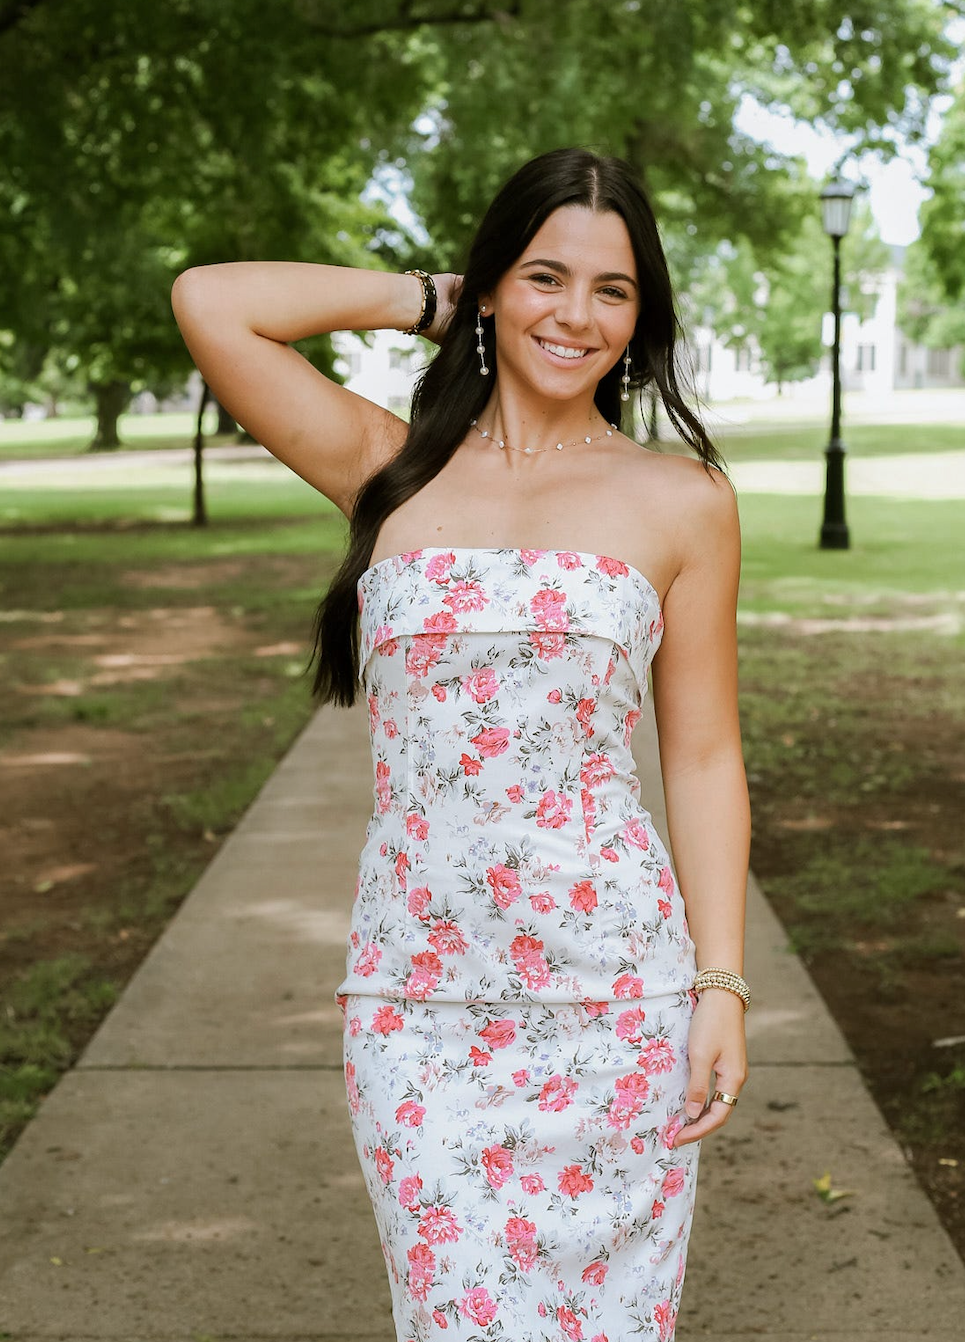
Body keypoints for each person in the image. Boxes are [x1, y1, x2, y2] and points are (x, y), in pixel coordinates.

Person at [171, 146, 751, 1341]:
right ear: (490, 285)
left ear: (642, 318)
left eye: (612, 290)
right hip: (419, 1007)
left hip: (616, 1001)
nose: (575, 315)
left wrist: (721, 987)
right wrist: (424, 296)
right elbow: (212, 302)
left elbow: (700, 757)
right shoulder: (386, 469)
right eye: (543, 276)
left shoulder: (681, 501)